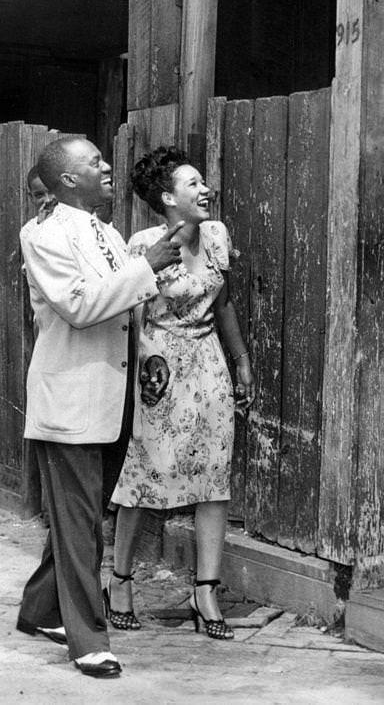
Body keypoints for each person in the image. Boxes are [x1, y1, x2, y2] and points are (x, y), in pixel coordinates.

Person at [16, 137, 180, 679]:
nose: (106, 166)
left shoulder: (105, 231)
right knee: (82, 524)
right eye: (93, 162)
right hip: (71, 401)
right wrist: (146, 267)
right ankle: (88, 640)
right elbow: (81, 307)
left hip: (112, 396)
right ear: (67, 180)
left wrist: (148, 354)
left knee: (80, 517)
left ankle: (41, 609)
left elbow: (123, 308)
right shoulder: (42, 235)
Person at [108, 146, 254, 641]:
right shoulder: (143, 245)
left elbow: (224, 302)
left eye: (202, 182)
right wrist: (139, 377)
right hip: (161, 366)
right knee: (145, 472)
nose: (205, 189)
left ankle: (205, 590)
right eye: (193, 184)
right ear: (168, 198)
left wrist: (241, 359)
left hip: (209, 361)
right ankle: (120, 580)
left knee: (214, 475)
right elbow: (128, 314)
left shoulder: (216, 235)